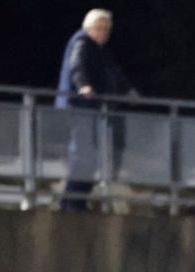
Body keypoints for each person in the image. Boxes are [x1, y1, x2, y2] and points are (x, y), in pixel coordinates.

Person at [55, 9, 136, 211]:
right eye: (99, 29)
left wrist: (128, 90)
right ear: (89, 28)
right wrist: (83, 86)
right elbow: (77, 66)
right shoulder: (82, 42)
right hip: (80, 107)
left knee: (90, 156)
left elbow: (113, 71)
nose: (103, 34)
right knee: (83, 154)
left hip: (92, 110)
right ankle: (72, 201)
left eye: (106, 30)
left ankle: (78, 200)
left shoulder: (99, 49)